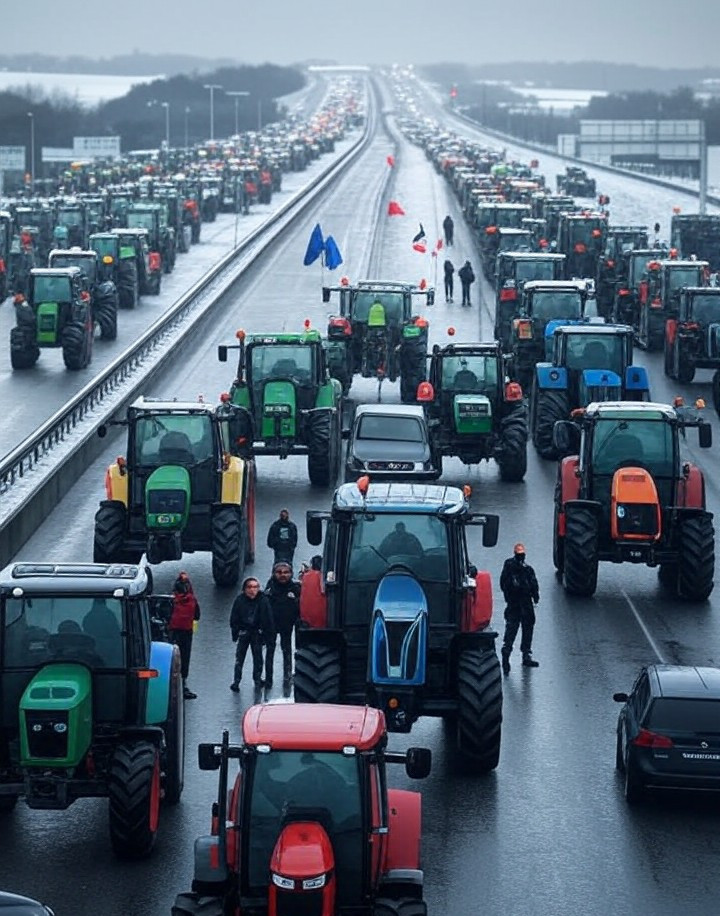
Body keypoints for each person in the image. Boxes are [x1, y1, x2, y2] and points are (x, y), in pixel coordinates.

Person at [499, 543, 540, 674]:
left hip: (525, 603)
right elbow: (504, 583)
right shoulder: (510, 567)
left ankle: (525, 654)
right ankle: (507, 654)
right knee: (512, 628)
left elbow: (533, 583)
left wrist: (535, 595)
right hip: (515, 603)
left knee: (527, 627)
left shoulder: (527, 569)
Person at [230, 577, 274, 691]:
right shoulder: (240, 600)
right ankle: (236, 681)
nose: (252, 590)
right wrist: (235, 633)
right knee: (240, 658)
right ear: (244, 589)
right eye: (249, 587)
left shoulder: (263, 600)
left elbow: (268, 619)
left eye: (255, 587)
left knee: (258, 658)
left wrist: (265, 635)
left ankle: (257, 679)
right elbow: (234, 617)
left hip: (257, 633)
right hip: (244, 632)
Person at [264, 561, 301, 687]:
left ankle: (288, 675)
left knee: (287, 650)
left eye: (286, 573)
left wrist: (294, 600)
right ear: (274, 574)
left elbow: (302, 607)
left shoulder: (295, 588)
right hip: (271, 625)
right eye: (279, 573)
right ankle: (268, 678)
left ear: (291, 574)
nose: (282, 575)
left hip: (287, 625)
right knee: (270, 651)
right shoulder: (270, 588)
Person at [168, 572, 200, 699]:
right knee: (184, 658)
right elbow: (197, 615)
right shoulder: (192, 600)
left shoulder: (171, 600)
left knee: (173, 659)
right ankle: (182, 684)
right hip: (187, 632)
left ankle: (172, 684)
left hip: (173, 632)